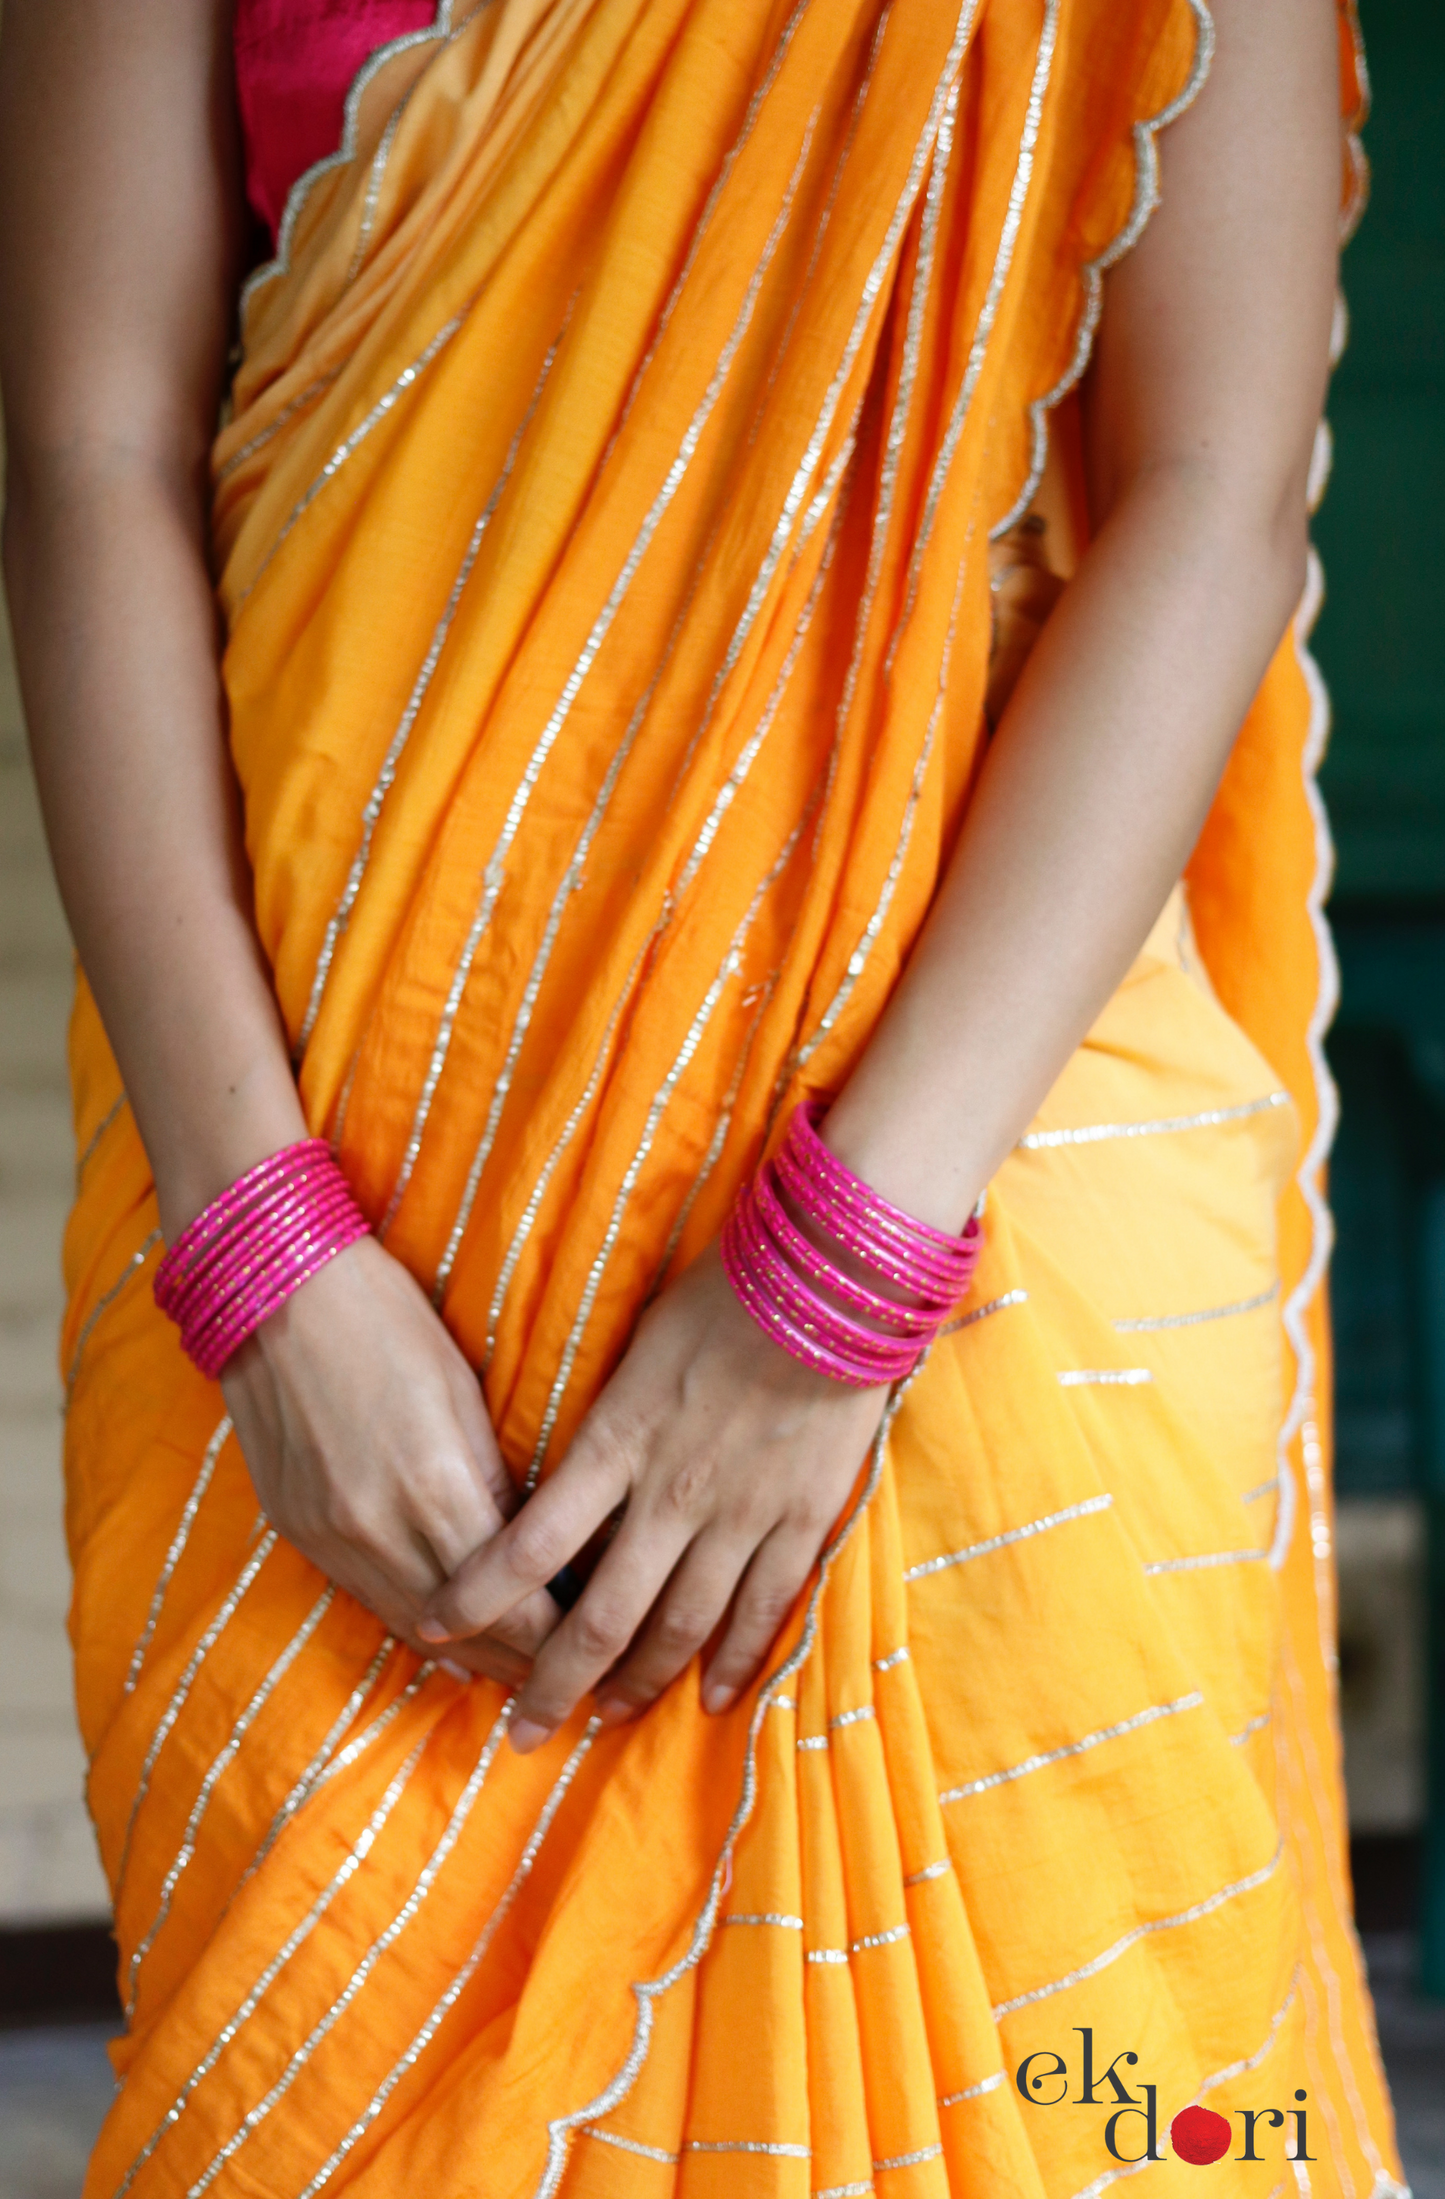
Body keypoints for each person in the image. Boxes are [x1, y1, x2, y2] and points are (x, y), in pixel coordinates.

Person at [0, 0, 1403, 2190]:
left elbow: (1208, 494)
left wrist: (834, 1281)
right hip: (329, 1336)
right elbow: (91, 448)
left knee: (1100, 2119)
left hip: (992, 1241)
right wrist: (256, 1246)